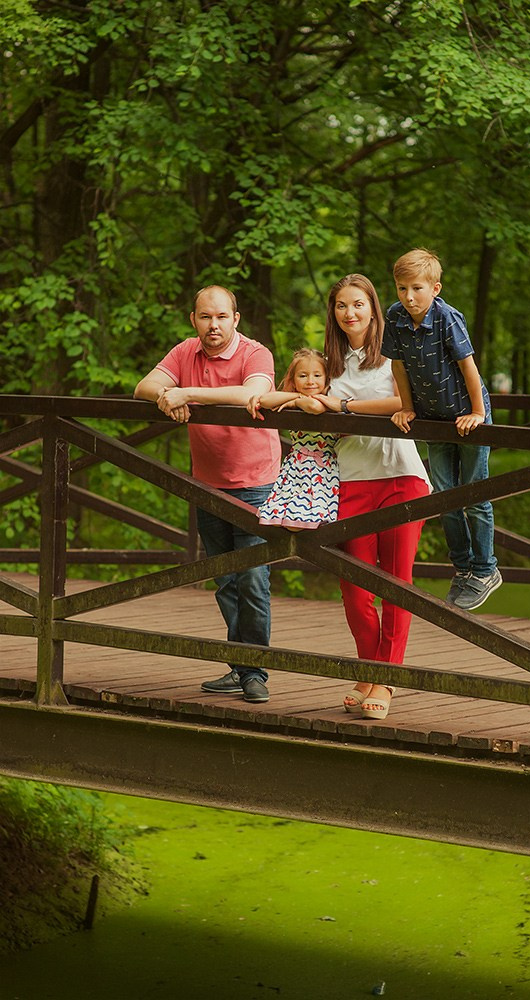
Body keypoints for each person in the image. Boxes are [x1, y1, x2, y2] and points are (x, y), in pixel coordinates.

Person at [133, 284, 281, 704]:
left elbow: (250, 394)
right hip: (208, 483)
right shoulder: (185, 352)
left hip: (257, 481)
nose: (213, 325)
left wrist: (187, 393)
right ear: (194, 320)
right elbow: (143, 385)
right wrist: (166, 395)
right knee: (225, 580)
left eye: (221, 317)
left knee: (253, 577)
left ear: (236, 319)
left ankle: (254, 672)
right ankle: (239, 666)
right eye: (204, 317)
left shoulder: (256, 352)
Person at [312, 273, 431, 721]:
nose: (350, 313)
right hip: (351, 480)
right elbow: (308, 397)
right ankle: (368, 665)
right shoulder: (330, 364)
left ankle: (385, 677)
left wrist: (341, 408)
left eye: (358, 304)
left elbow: (403, 399)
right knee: (355, 587)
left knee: (396, 583)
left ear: (373, 308)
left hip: (401, 477)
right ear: (334, 313)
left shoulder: (394, 354)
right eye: (342, 306)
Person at [382, 248, 501, 611]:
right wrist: (406, 406)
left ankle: (486, 569)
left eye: (417, 288)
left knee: (473, 495)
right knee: (445, 497)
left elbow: (469, 367)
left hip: (467, 415)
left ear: (435, 288)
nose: (409, 296)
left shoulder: (447, 318)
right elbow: (398, 368)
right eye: (402, 288)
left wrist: (478, 413)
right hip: (434, 419)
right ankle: (463, 568)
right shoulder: (395, 317)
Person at [247, 348, 340, 530]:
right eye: (303, 376)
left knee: (305, 523)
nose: (310, 381)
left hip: (323, 468)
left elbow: (313, 405)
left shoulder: (327, 400)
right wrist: (297, 397)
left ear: (327, 378)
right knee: (287, 521)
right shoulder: (292, 397)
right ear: (294, 379)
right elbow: (265, 400)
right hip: (295, 466)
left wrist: (296, 402)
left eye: (317, 375)